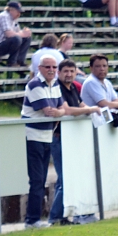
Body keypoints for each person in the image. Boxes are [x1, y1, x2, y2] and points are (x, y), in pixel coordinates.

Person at [49, 59, 101, 225]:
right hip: (59, 139)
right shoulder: (57, 88)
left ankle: (63, 216)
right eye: (66, 71)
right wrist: (91, 109)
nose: (69, 74)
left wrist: (89, 110)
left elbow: (81, 105)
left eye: (72, 71)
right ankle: (56, 217)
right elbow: (67, 110)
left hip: (71, 139)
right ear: (59, 72)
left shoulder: (72, 88)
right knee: (65, 179)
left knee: (69, 178)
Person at [21, 55, 67, 228]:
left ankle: (34, 218)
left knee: (41, 179)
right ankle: (32, 220)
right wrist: (59, 111)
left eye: (54, 67)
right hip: (33, 136)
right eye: (47, 67)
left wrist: (59, 111)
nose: (51, 70)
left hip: (46, 136)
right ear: (39, 68)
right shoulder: (34, 84)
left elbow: (61, 109)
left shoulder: (54, 84)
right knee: (37, 179)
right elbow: (49, 110)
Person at [0, 1, 32, 67]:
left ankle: (20, 61)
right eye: (18, 11)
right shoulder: (4, 16)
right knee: (17, 39)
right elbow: (9, 34)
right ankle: (11, 62)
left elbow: (18, 33)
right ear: (11, 10)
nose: (19, 13)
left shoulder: (14, 19)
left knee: (26, 38)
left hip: (5, 44)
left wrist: (25, 33)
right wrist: (22, 34)